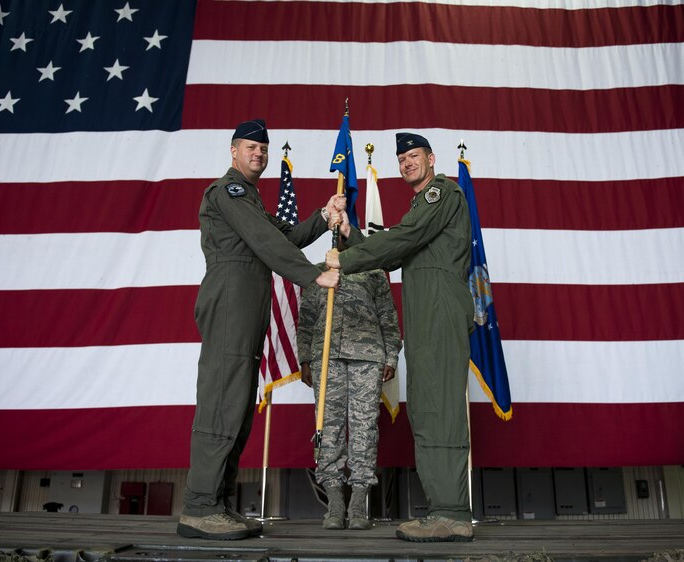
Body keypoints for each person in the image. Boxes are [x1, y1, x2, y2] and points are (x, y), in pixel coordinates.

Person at [178, 119, 344, 541]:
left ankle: (217, 503)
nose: (258, 154)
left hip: (248, 305)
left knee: (236, 406)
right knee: (222, 402)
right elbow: (262, 239)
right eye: (250, 147)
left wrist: (324, 217)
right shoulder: (228, 191)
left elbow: (281, 236)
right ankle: (199, 506)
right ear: (233, 151)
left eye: (263, 149)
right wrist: (311, 275)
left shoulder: (249, 197)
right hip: (232, 300)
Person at [326, 132, 476, 542]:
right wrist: (348, 233)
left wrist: (345, 258)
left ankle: (451, 513)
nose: (408, 163)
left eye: (414, 156)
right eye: (402, 159)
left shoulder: (442, 193)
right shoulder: (419, 206)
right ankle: (443, 509)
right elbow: (393, 245)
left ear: (431, 158)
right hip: (427, 312)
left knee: (439, 406)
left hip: (441, 309)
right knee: (426, 406)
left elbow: (401, 241)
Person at [297, 263, 401, 530]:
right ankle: (335, 504)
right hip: (326, 356)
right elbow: (307, 318)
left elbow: (387, 315)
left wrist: (391, 355)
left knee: (364, 427)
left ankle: (357, 503)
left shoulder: (373, 272)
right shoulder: (317, 273)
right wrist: (305, 359)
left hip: (367, 356)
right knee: (326, 427)